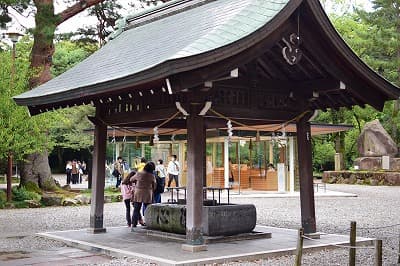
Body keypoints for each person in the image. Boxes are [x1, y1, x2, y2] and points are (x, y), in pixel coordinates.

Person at [130, 162, 156, 227]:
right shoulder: (152, 176)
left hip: (138, 193)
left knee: (136, 209)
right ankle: (149, 223)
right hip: (148, 193)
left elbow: (131, 179)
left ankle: (134, 223)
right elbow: (155, 186)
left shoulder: (139, 173)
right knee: (148, 209)